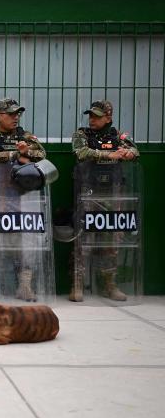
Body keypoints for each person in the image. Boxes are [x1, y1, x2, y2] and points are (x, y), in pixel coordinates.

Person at [0, 98, 47, 301]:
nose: (16, 117)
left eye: (18, 114)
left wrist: (27, 152)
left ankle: (24, 286)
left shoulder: (25, 135)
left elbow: (41, 154)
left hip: (22, 196)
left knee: (24, 240)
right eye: (11, 114)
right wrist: (16, 154)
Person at [70, 100, 140, 302]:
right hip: (89, 191)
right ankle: (77, 284)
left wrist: (126, 153)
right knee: (84, 237)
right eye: (91, 115)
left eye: (97, 116)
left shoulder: (118, 136)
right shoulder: (82, 134)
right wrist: (109, 154)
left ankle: (109, 284)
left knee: (112, 239)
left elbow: (135, 151)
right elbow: (81, 152)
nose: (92, 119)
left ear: (108, 117)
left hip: (113, 192)